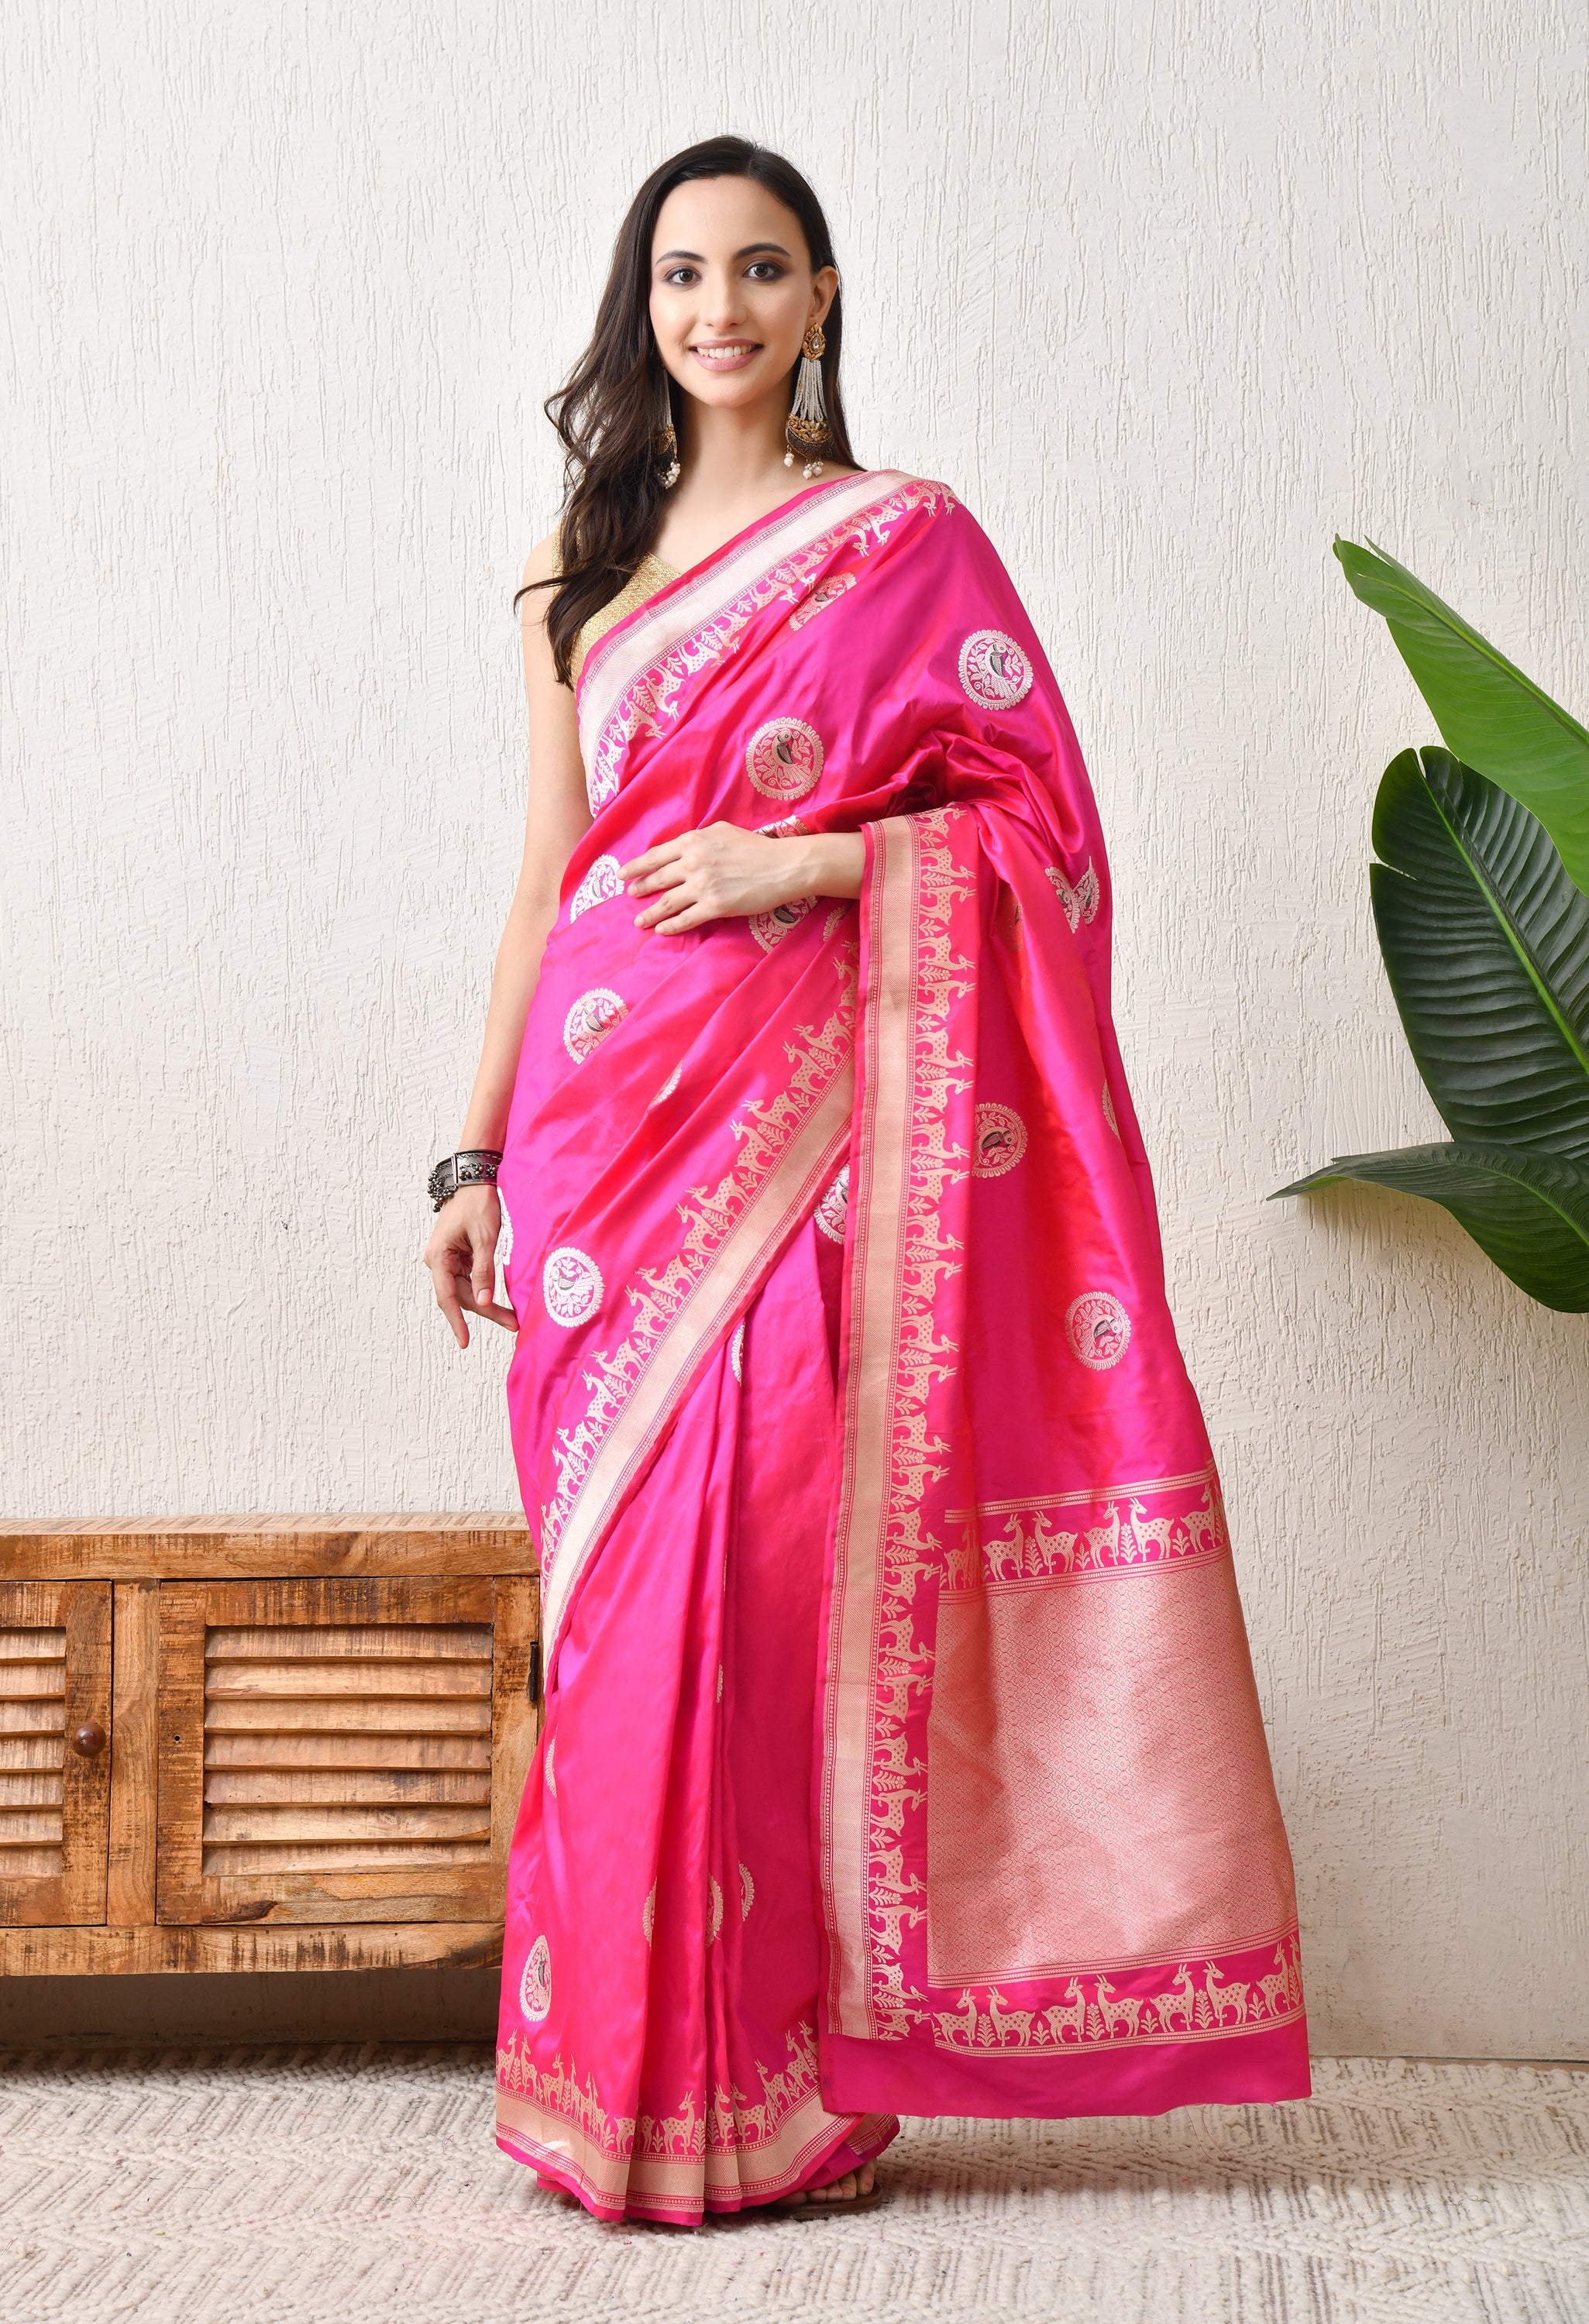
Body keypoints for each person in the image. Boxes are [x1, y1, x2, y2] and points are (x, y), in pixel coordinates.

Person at [422, 136, 1309, 2229]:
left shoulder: (898, 545)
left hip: (799, 1118)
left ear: (820, 297)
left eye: (756, 271)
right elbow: (542, 887)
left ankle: (772, 2091)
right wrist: (468, 1149)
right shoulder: (582, 578)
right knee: (622, 1603)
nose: (715, 310)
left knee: (762, 1575)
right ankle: (604, 2087)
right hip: (594, 1137)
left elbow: (1040, 836)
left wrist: (809, 861)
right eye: (678, 278)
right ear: (640, 312)